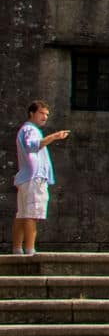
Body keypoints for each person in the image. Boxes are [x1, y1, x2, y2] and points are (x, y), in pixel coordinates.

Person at [12, 100, 70, 255]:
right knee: (32, 214)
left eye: (46, 115)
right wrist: (55, 137)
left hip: (25, 178)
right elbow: (33, 145)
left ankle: (17, 248)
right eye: (41, 113)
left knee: (22, 214)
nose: (44, 117)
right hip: (33, 177)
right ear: (32, 113)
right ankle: (30, 250)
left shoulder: (26, 129)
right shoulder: (31, 130)